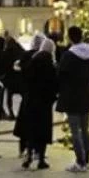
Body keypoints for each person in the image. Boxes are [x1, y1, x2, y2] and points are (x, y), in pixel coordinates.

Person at [57, 26, 89, 173]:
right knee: (85, 130)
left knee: (75, 131)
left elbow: (61, 75)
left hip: (72, 96)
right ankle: (87, 159)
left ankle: (80, 162)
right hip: (86, 95)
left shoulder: (69, 55)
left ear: (70, 37)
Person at [17, 38, 58, 170]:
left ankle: (28, 156)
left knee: (31, 129)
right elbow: (54, 85)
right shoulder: (50, 64)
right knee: (43, 130)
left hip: (30, 100)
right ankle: (41, 159)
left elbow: (25, 78)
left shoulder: (32, 61)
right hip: (44, 103)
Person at [0, 36, 24, 120]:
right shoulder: (21, 50)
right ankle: (23, 113)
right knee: (23, 95)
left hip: (10, 78)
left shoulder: (6, 52)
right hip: (20, 77)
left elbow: (3, 66)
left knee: (9, 96)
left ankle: (11, 113)